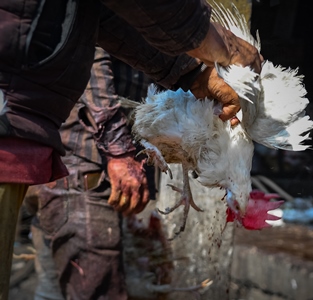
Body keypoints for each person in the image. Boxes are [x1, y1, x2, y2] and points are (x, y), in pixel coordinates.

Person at [0, 1, 262, 298]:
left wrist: (191, 74)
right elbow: (94, 43)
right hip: (82, 147)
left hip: (49, 136)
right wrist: (118, 147)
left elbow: (97, 18)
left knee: (63, 278)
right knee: (92, 281)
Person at [28, 46, 153, 300]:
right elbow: (89, 49)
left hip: (76, 166)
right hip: (83, 168)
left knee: (54, 291)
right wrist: (120, 152)